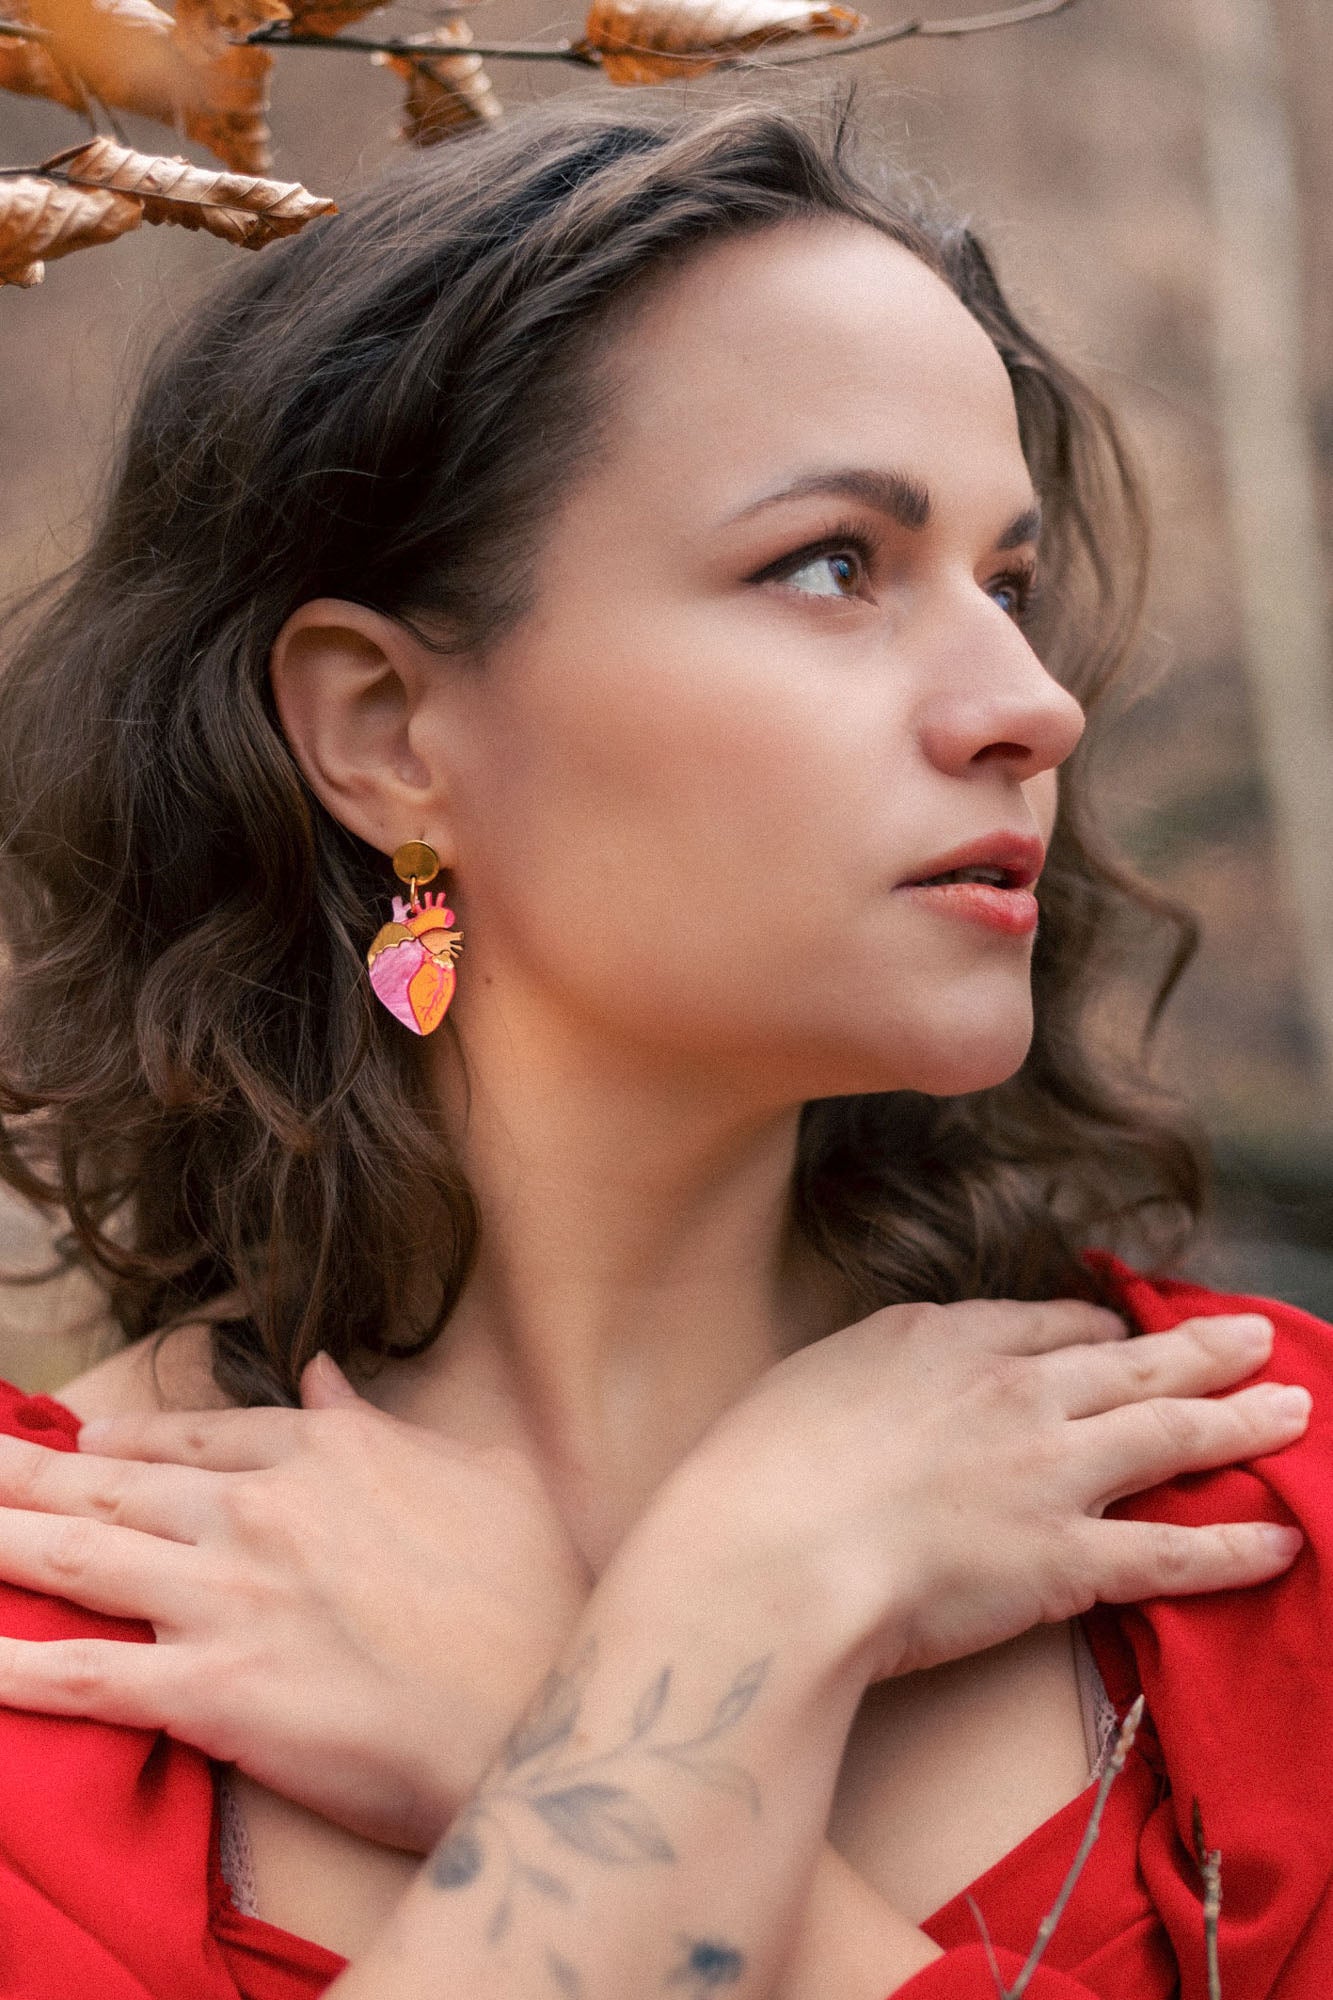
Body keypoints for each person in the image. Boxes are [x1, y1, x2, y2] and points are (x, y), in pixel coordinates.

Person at [0, 93, 1327, 2000]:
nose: (1028, 703)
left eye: (1009, 584)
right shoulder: (48, 1639)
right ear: (384, 731)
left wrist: (640, 1687)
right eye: (829, 566)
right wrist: (741, 1633)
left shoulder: (1272, 1507)